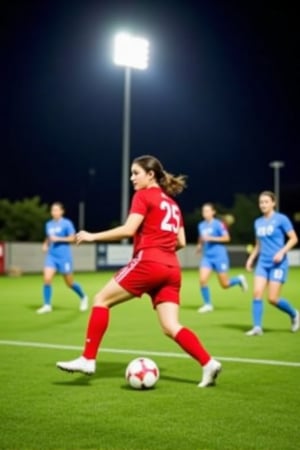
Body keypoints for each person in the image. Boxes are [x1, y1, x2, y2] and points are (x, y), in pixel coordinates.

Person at [56, 155, 222, 387]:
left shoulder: (143, 195)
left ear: (150, 174)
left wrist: (92, 235)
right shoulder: (173, 204)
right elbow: (182, 241)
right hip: (172, 268)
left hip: (149, 262)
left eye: (136, 173)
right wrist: (162, 248)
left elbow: (128, 229)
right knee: (170, 326)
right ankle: (208, 363)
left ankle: (87, 359)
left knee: (101, 300)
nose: (132, 178)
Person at [245, 191, 299, 336]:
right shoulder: (258, 222)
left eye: (266, 202)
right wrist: (251, 259)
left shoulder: (281, 219)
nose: (263, 204)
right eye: (261, 202)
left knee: (273, 298)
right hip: (263, 263)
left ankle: (294, 314)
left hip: (278, 264)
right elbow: (258, 245)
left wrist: (281, 252)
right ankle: (257, 327)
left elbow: (294, 238)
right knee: (256, 293)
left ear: (273, 203)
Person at [37, 202, 88, 314]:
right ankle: (47, 305)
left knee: (69, 283)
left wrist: (59, 239)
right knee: (47, 279)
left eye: (56, 210)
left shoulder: (67, 223)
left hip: (64, 257)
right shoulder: (49, 224)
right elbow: (49, 237)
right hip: (51, 256)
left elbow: (73, 238)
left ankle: (83, 297)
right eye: (52, 210)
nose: (54, 212)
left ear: (61, 211)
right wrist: (45, 243)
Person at [196, 203, 248, 313]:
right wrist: (199, 246)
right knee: (202, 280)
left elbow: (227, 238)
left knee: (225, 285)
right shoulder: (201, 225)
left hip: (219, 256)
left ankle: (239, 279)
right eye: (203, 211)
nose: (204, 213)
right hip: (207, 257)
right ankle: (208, 304)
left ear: (213, 212)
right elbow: (201, 237)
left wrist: (211, 238)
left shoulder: (219, 224)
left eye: (207, 211)